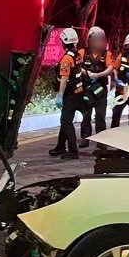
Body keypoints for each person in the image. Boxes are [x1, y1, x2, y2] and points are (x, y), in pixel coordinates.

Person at [49, 28, 84, 159]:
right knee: (65, 120)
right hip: (78, 91)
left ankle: (73, 151)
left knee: (66, 121)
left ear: (63, 42)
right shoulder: (77, 55)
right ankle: (60, 146)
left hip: (70, 94)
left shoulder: (66, 59)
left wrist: (60, 96)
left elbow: (64, 78)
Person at [78, 26, 112, 147]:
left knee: (100, 115)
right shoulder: (82, 52)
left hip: (101, 89)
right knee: (86, 114)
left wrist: (98, 75)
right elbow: (77, 66)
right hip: (87, 88)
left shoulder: (107, 54)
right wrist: (88, 73)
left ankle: (101, 140)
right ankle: (85, 137)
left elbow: (110, 68)